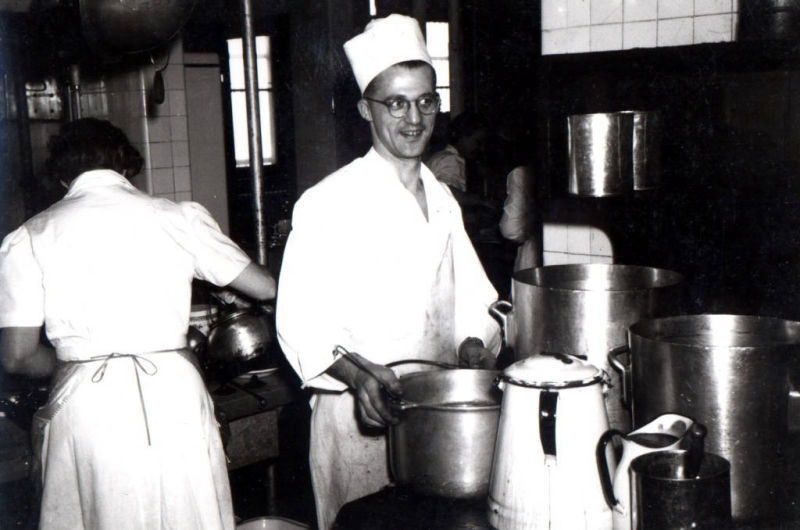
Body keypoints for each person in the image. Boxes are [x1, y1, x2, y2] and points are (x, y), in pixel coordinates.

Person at [275, 14, 501, 530]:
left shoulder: (441, 198)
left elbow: (471, 296)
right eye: (396, 103)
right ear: (365, 110)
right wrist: (357, 375)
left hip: (440, 416)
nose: (414, 118)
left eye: (425, 100)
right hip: (361, 421)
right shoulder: (329, 202)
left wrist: (473, 345)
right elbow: (303, 323)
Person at [0, 118, 276, 529]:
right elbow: (267, 287)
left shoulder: (30, 235)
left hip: (88, 404)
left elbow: (18, 357)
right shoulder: (178, 217)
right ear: (127, 167)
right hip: (175, 394)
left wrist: (77, 365)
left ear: (61, 177)